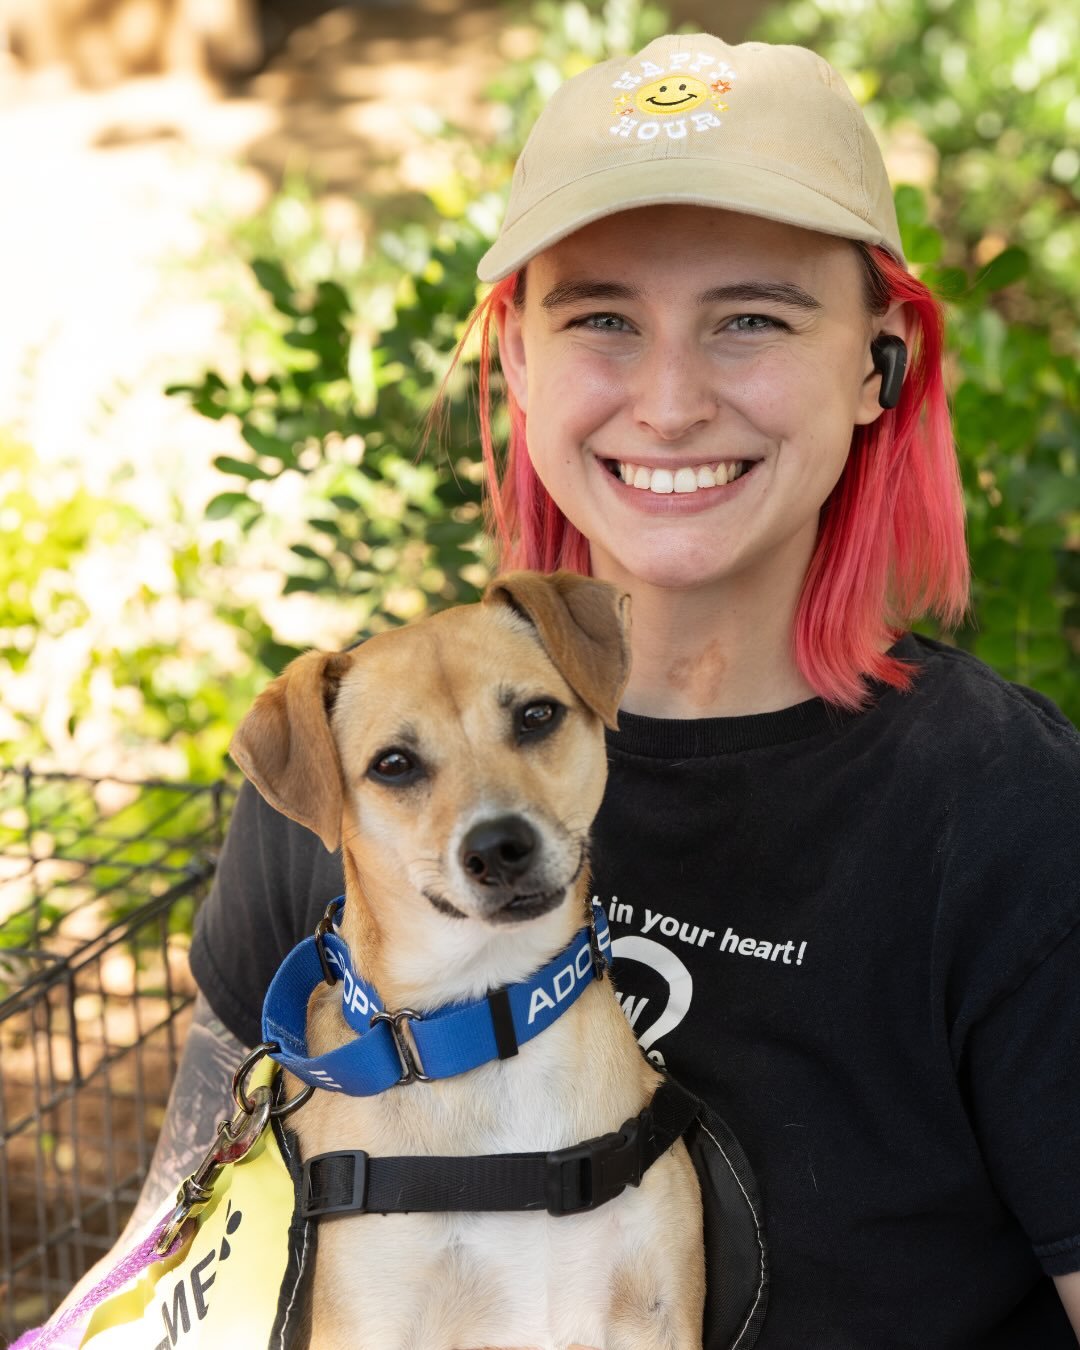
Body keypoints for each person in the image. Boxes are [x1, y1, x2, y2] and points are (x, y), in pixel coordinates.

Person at [140, 31, 1080, 1347]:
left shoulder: (1004, 813)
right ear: (518, 362)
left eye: (750, 316)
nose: (673, 398)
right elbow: (183, 1251)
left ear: (881, 362)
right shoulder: (356, 775)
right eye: (600, 320)